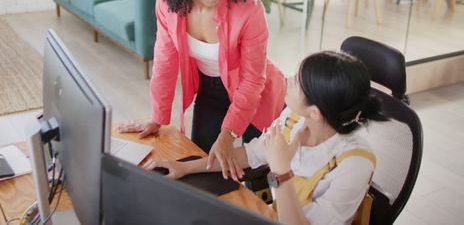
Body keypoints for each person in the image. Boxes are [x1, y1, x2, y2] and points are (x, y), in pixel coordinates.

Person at [118, 0, 286, 182]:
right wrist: (158, 118)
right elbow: (164, 62)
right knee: (201, 169)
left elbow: (252, 81)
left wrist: (229, 134)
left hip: (258, 96)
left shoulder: (249, 9)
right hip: (211, 91)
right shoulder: (169, 4)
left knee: (256, 176)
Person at [144, 51, 390, 225]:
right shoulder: (295, 118)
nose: (288, 81)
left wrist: (282, 171)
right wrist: (185, 167)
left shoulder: (354, 163)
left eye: (297, 83)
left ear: (315, 111)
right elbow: (251, 153)